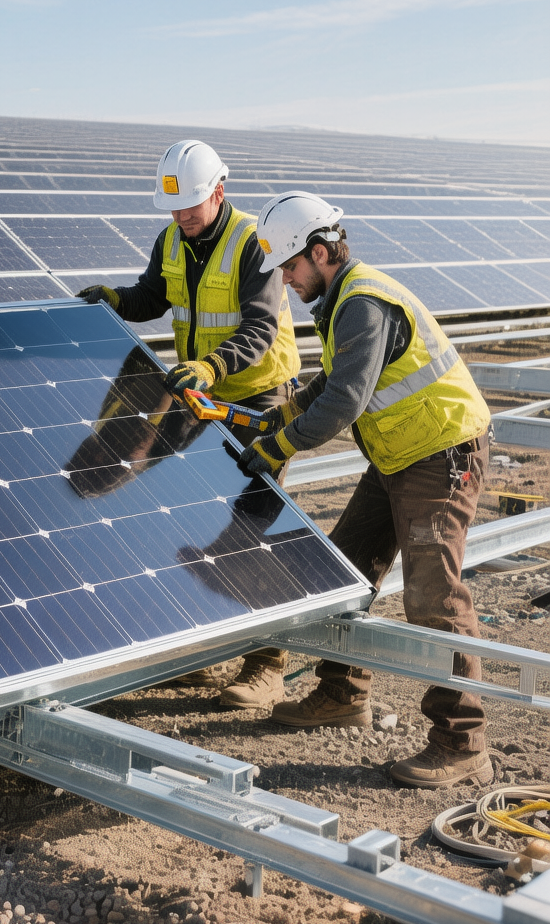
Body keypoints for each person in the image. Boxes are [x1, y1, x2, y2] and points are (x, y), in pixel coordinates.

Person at [237, 191, 493, 788]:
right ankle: (342, 691)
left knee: (434, 597)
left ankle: (463, 742)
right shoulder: (344, 300)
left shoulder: (362, 302)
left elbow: (346, 400)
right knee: (346, 565)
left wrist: (281, 444)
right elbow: (338, 375)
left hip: (442, 454)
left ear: (321, 252)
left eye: (291, 267)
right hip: (399, 454)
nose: (286, 281)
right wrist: (285, 413)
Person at [77, 139, 301, 709]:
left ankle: (267, 664)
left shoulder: (254, 243)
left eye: (191, 206)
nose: (180, 217)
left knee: (250, 520)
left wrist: (209, 365)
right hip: (196, 392)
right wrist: (116, 299)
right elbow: (153, 295)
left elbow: (259, 328)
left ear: (219, 192)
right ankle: (200, 655)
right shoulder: (172, 239)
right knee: (174, 504)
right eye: (173, 208)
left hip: (257, 398)